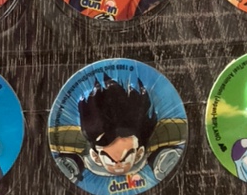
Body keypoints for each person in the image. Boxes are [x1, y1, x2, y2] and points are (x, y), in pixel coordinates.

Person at [51, 75, 186, 188]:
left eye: (127, 157)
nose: (119, 164)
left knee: (157, 157)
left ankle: (162, 159)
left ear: (139, 154)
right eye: (111, 160)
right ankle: (72, 164)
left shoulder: (142, 155)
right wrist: (70, 166)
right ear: (96, 157)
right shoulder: (90, 161)